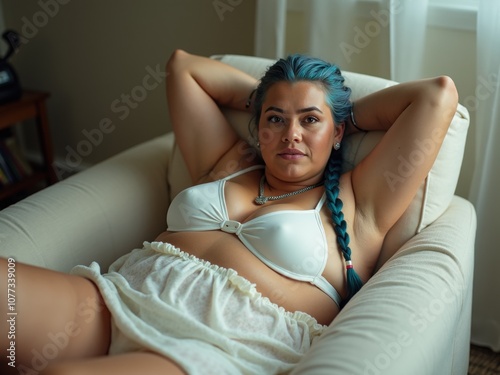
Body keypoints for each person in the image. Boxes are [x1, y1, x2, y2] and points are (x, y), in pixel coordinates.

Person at [0, 49, 458, 375]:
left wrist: (340, 112)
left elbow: (436, 96)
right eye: (276, 119)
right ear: (259, 127)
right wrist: (270, 102)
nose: (291, 134)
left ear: (337, 133)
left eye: (309, 120)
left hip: (211, 348)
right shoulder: (230, 161)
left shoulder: (360, 203)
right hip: (113, 301)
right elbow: (183, 68)